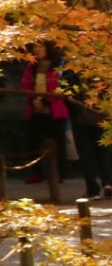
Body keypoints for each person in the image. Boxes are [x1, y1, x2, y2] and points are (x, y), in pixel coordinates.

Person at [20, 41, 69, 199]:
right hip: (34, 109)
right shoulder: (30, 67)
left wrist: (45, 101)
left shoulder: (58, 66)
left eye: (40, 46)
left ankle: (59, 173)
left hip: (54, 109)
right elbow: (25, 84)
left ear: (48, 49)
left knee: (57, 142)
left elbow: (60, 87)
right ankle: (37, 173)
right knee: (32, 140)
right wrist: (34, 99)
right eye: (35, 47)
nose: (38, 49)